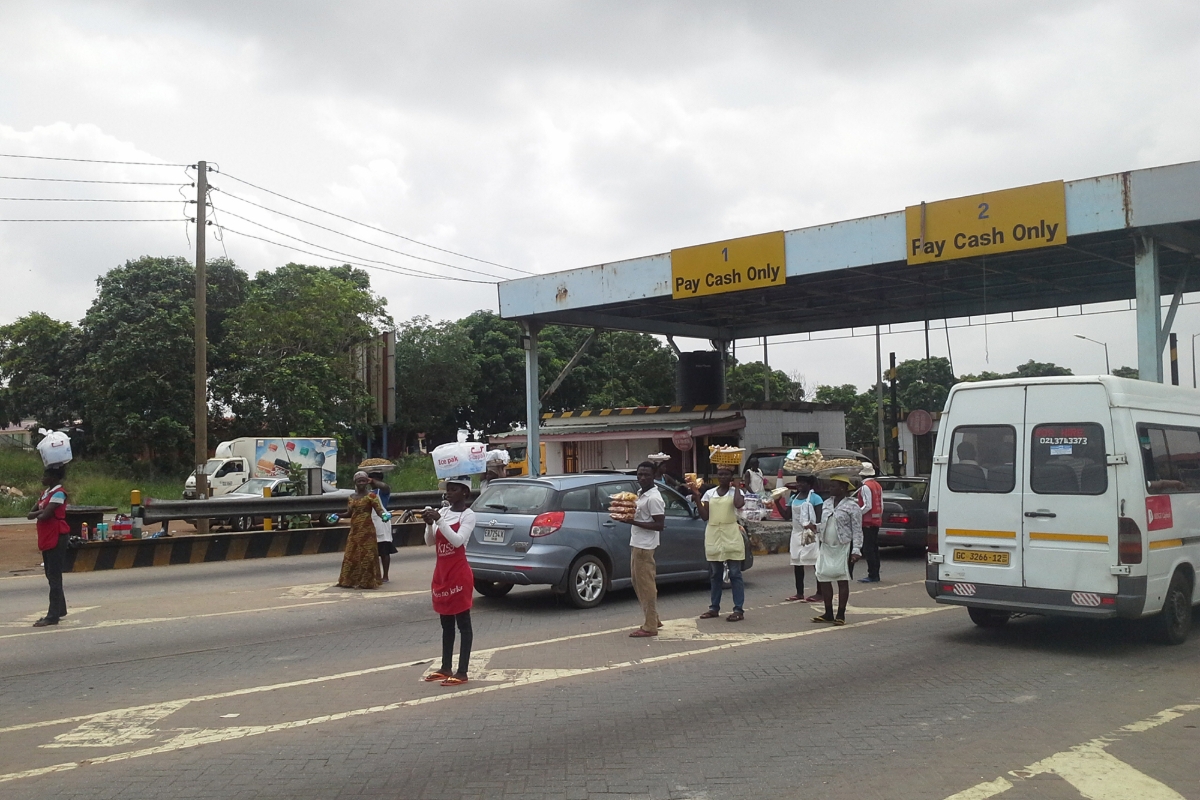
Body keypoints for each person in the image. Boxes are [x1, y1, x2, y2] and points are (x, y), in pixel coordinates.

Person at [422, 477, 476, 686]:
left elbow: (457, 540)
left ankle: (462, 671)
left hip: (459, 574)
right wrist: (429, 524)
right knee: (446, 623)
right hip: (442, 574)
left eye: (454, 490)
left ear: (465, 493)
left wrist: (439, 521)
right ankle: (446, 666)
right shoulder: (442, 512)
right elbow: (430, 541)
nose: (449, 493)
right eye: (448, 489)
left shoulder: (468, 515)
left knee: (463, 623)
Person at [692, 465, 746, 621]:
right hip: (714, 534)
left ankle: (738, 609)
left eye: (726, 475)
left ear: (731, 477)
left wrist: (736, 487)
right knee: (715, 574)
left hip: (730, 533)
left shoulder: (736, 493)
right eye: (720, 474)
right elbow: (704, 516)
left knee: (735, 573)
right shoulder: (710, 493)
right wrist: (696, 497)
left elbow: (738, 504)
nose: (722, 477)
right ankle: (714, 607)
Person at [812, 474, 863, 625]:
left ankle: (840, 614)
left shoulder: (852, 506)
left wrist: (857, 550)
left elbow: (857, 530)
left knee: (842, 579)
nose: (830, 488)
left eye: (833, 486)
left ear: (843, 488)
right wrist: (814, 528)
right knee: (823, 578)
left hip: (844, 546)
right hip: (826, 546)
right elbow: (824, 524)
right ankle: (828, 612)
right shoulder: (827, 503)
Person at [28, 466, 69, 627]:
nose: (42, 478)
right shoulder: (46, 494)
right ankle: (60, 609)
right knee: (50, 574)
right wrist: (40, 511)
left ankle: (53, 616)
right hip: (47, 536)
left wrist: (39, 511)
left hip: (57, 536)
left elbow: (43, 516)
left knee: (54, 576)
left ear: (54, 478)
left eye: (46, 475)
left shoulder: (59, 494)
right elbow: (29, 515)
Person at [629, 461, 666, 637]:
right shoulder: (641, 493)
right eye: (640, 474)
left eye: (647, 475)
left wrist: (632, 522)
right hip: (637, 543)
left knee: (646, 585)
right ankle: (654, 618)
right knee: (638, 582)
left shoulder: (654, 498)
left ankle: (650, 625)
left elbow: (659, 525)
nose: (642, 478)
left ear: (654, 476)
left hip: (645, 546)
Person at [336, 472, 387, 590]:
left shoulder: (371, 496)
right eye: (359, 481)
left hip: (367, 530)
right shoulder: (351, 497)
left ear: (367, 482)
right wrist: (338, 515)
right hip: (354, 530)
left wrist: (383, 515)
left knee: (367, 555)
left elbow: (378, 510)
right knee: (351, 555)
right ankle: (348, 580)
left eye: (364, 481)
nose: (361, 483)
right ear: (355, 482)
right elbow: (349, 513)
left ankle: (367, 582)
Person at [776, 475, 820, 602]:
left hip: (810, 533)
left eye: (802, 482)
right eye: (798, 482)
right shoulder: (794, 498)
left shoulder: (816, 498)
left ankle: (820, 592)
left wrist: (814, 528)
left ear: (809, 484)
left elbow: (819, 517)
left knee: (814, 562)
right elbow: (786, 516)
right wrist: (777, 502)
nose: (799, 485)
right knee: (797, 563)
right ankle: (799, 593)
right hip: (796, 533)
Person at [857, 463, 883, 583]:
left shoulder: (865, 487)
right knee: (874, 548)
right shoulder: (877, 485)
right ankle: (875, 573)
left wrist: (857, 514)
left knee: (868, 549)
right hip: (876, 521)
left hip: (867, 522)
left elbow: (867, 505)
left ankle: (872, 574)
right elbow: (881, 504)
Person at [368, 471, 396, 582]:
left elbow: (385, 486)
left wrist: (374, 481)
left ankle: (385, 575)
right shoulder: (368, 492)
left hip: (381, 523)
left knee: (384, 551)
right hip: (370, 522)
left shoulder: (383, 491)